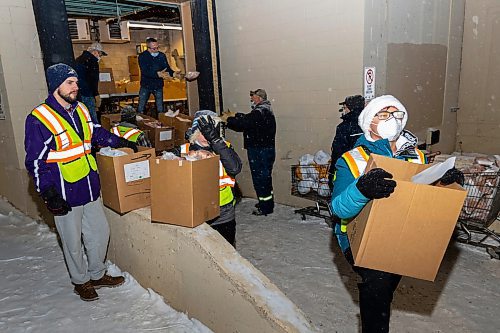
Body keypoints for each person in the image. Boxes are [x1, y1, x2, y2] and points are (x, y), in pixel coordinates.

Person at [330, 95, 464, 332]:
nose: (392, 120)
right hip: (360, 237)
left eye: (397, 114)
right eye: (384, 114)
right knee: (378, 282)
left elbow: (425, 196)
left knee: (387, 282)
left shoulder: (416, 156)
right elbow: (339, 208)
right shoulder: (352, 159)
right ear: (369, 120)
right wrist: (362, 189)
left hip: (402, 233)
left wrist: (446, 185)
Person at [24, 63, 138, 302]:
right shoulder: (39, 118)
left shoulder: (82, 109)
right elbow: (35, 161)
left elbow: (95, 133)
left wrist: (120, 143)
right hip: (64, 190)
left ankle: (97, 274)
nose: (76, 86)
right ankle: (81, 281)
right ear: (56, 85)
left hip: (88, 184)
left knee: (99, 232)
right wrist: (48, 193)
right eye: (70, 83)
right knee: (72, 241)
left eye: (76, 82)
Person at [182, 110, 242, 246]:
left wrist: (215, 140)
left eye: (210, 130)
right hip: (196, 214)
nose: (205, 136)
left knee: (226, 251)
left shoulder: (223, 147)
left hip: (223, 213)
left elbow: (234, 168)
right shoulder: (183, 150)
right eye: (202, 131)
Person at [222, 89, 276, 216]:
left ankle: (265, 207)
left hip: (259, 151)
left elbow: (245, 123)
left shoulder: (260, 112)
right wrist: (236, 115)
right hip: (265, 150)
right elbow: (248, 119)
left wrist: (228, 120)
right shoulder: (265, 110)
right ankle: (267, 203)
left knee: (260, 178)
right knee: (265, 178)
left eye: (253, 96)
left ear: (260, 98)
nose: (251, 98)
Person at [328, 95, 365, 187]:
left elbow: (338, 152)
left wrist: (332, 175)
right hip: (365, 170)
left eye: (344, 108)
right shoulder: (369, 124)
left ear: (350, 109)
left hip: (348, 169)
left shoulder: (344, 127)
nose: (344, 111)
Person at [137, 37, 176, 115]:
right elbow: (145, 71)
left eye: (157, 47)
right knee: (141, 107)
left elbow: (166, 68)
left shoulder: (161, 56)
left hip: (158, 85)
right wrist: (157, 74)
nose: (156, 50)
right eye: (154, 48)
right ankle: (139, 121)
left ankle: (160, 124)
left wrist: (174, 73)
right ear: (148, 48)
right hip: (146, 85)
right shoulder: (142, 56)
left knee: (160, 108)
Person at [74, 42, 107, 123]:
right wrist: (96, 95)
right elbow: (93, 80)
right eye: (100, 54)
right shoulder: (92, 62)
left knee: (83, 118)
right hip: (87, 94)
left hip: (78, 93)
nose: (100, 57)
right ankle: (96, 133)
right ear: (95, 52)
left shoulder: (78, 59)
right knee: (92, 118)